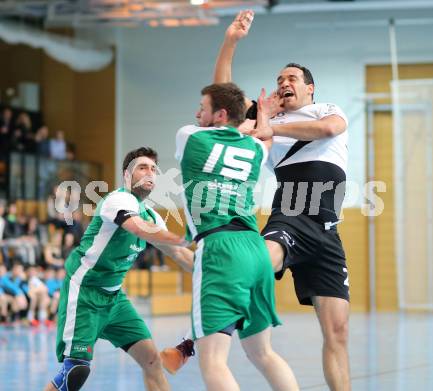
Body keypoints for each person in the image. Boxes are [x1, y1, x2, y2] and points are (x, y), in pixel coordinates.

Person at [213, 10, 351, 391]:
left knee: (337, 332)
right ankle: (215, 320)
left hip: (327, 233)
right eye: (278, 80)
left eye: (291, 78)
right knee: (259, 261)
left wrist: (269, 126)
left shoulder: (325, 110)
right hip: (290, 215)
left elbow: (328, 130)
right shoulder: (265, 117)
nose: (283, 83)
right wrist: (231, 41)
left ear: (310, 89)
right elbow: (222, 99)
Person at [171, 82, 298, 391]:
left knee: (213, 361)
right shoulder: (253, 149)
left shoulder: (189, 136)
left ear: (220, 114)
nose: (197, 112)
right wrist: (264, 116)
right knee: (263, 353)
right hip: (255, 249)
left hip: (220, 248)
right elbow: (264, 138)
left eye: (203, 107)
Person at [43, 146, 194, 391]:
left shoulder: (152, 216)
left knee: (152, 360)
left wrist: (209, 272)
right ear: (127, 175)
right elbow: (136, 227)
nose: (150, 173)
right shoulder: (118, 199)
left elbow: (178, 254)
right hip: (85, 293)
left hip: (114, 298)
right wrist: (183, 238)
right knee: (76, 371)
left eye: (154, 169)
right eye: (142, 168)